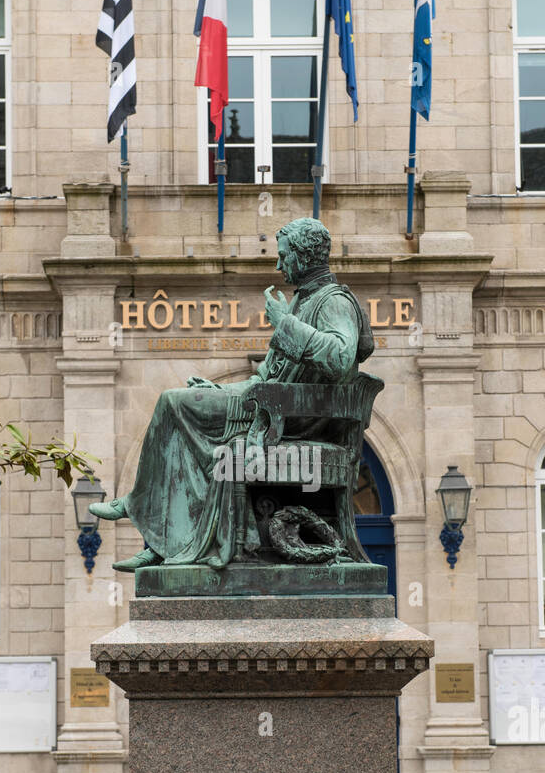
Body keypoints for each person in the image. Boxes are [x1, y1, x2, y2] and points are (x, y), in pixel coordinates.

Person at [90, 216, 374, 569]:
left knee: (172, 403)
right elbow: (265, 378)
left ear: (303, 256)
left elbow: (340, 357)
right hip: (275, 409)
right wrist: (218, 389)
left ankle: (143, 509)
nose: (278, 264)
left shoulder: (334, 302)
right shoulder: (303, 303)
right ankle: (167, 542)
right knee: (180, 411)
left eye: (284, 256)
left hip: (295, 421)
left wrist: (284, 323)